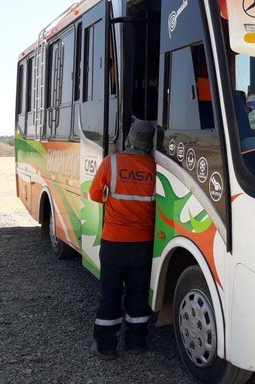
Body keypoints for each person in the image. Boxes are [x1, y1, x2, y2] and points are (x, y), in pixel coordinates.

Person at [89, 120, 156, 360]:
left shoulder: (112, 162)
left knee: (111, 294)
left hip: (114, 243)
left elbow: (95, 194)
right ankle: (136, 342)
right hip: (143, 244)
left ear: (129, 138)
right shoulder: (155, 167)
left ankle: (106, 346)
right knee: (138, 294)